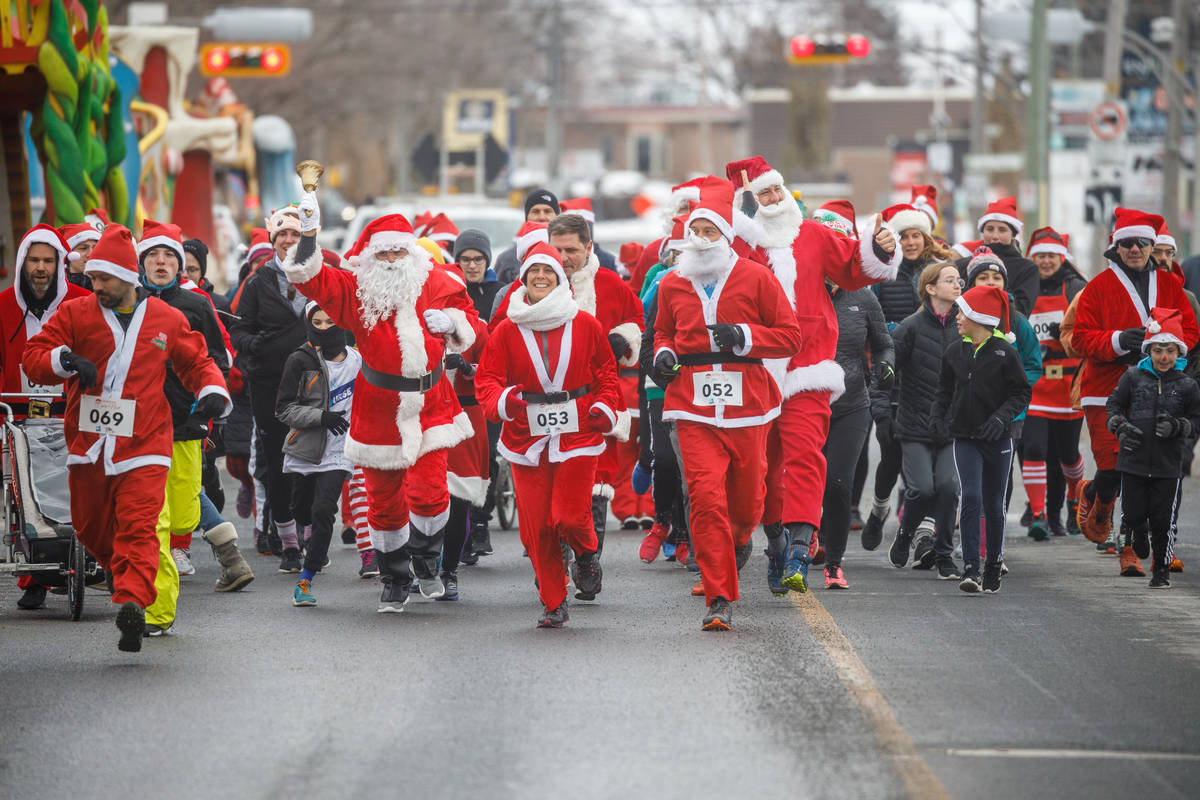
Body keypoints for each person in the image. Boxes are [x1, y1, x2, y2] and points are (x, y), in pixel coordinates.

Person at [22, 223, 230, 651]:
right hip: (88, 443)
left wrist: (211, 392)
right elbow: (34, 357)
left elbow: (198, 361)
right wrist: (65, 360)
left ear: (127, 278)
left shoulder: (166, 319)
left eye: (104, 279)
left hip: (146, 443)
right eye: (93, 277)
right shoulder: (76, 314)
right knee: (90, 526)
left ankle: (134, 605)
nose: (95, 285)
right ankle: (124, 575)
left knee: (140, 526)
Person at [281, 196, 480, 613]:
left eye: (399, 250)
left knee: (429, 493)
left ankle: (426, 559)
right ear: (371, 255)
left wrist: (455, 324)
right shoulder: (357, 289)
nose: (392, 258)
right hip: (378, 407)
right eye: (384, 251)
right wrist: (309, 235)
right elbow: (309, 278)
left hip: (431, 403)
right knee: (383, 500)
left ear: (411, 251)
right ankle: (393, 575)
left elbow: (470, 316)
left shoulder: (436, 279)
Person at [725, 155, 898, 595]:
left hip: (808, 368)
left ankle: (802, 543)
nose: (773, 198)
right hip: (755, 373)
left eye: (776, 190)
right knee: (761, 472)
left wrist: (881, 247)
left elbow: (857, 271)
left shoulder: (814, 235)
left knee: (806, 458)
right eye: (762, 193)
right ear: (749, 202)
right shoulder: (739, 246)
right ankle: (777, 540)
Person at [653, 175, 803, 630]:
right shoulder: (671, 284)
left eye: (710, 231)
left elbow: (791, 336)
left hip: (749, 403)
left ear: (727, 235)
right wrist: (662, 354)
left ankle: (740, 539)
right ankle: (719, 597)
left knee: (745, 503)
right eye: (695, 232)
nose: (700, 240)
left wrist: (746, 336)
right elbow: (661, 332)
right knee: (703, 497)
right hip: (691, 404)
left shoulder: (757, 277)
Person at [492, 212, 642, 595]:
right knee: (542, 516)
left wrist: (623, 340)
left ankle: (588, 560)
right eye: (555, 250)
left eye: (570, 250)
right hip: (536, 414)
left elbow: (637, 321)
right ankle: (552, 578)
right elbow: (495, 347)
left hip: (589, 410)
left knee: (591, 493)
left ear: (588, 248)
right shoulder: (521, 292)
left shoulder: (608, 283)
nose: (561, 258)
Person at [475, 242, 621, 627]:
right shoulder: (507, 328)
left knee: (570, 516)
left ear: (560, 278)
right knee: (538, 527)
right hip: (526, 435)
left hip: (578, 430)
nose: (541, 277)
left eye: (549, 271)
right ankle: (554, 601)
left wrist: (604, 407)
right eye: (534, 271)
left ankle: (587, 554)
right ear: (523, 278)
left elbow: (606, 373)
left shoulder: (585, 323)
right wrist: (504, 401)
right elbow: (487, 379)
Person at [136, 220, 250, 632]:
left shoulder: (196, 304)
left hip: (185, 426)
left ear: (179, 264)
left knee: (182, 517)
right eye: (153, 255)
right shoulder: (126, 303)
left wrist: (207, 404)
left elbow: (220, 361)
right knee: (154, 522)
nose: (161, 262)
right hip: (137, 430)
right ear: (141, 262)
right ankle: (155, 611)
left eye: (169, 255)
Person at [1070, 208, 1198, 550]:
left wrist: (1168, 344)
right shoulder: (1097, 287)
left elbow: (1191, 330)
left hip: (1159, 390)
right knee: (1112, 466)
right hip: (1104, 389)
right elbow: (1080, 338)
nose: (1135, 249)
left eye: (1142, 243)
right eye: (1127, 243)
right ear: (1116, 247)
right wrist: (1116, 340)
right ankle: (1096, 493)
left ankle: (1132, 544)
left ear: (1151, 245)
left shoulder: (1171, 286)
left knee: (1140, 470)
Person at [1, 225, 95, 609]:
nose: (41, 268)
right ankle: (32, 578)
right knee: (19, 491)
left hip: (71, 409)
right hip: (17, 412)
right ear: (23, 264)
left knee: (78, 484)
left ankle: (85, 553)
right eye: (34, 261)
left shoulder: (83, 301)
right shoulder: (4, 305)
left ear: (60, 263)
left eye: (48, 261)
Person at [859, 197, 955, 548]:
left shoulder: (944, 273)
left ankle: (924, 530)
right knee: (891, 452)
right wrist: (899, 331)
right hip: (896, 373)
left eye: (916, 235)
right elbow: (872, 321)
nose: (911, 242)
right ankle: (879, 509)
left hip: (932, 378)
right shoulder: (884, 274)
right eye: (904, 237)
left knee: (933, 457)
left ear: (926, 238)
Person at [814, 203, 894, 589]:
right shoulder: (795, 291)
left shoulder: (862, 296)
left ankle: (833, 560)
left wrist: (884, 365)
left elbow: (883, 344)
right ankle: (799, 540)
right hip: (804, 401)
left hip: (851, 404)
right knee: (805, 481)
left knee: (840, 484)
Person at [932, 285, 1032, 593]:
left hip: (999, 439)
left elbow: (1021, 393)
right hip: (965, 437)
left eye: (962, 312)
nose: (957, 317)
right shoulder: (954, 351)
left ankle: (993, 564)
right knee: (971, 497)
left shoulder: (1006, 353)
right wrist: (938, 418)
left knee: (994, 502)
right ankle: (971, 567)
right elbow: (944, 391)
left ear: (979, 317)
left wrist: (1001, 418)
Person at [229, 205, 309, 559]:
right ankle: (284, 535)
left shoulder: (316, 274)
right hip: (269, 385)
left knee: (310, 460)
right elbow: (239, 329)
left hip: (313, 384)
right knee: (277, 461)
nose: (288, 240)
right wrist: (256, 345)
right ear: (273, 240)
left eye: (295, 234)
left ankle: (307, 529)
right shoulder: (258, 281)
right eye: (282, 235)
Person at [1106, 308, 1200, 588]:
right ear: (1149, 350)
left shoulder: (1187, 385)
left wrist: (1178, 426)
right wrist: (1119, 426)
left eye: (1170, 351)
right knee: (1133, 513)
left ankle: (1161, 571)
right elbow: (1113, 406)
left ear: (1178, 353)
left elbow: (1196, 419)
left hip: (1169, 464)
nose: (1164, 357)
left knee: (1163, 520)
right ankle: (1137, 530)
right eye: (1159, 350)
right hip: (1132, 459)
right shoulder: (1133, 377)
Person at [277, 303, 361, 606]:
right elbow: (283, 409)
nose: (324, 327)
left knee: (323, 510)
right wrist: (321, 417)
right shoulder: (299, 360)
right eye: (317, 322)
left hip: (341, 452)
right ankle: (305, 535)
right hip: (307, 448)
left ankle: (306, 580)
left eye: (331, 321)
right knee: (301, 509)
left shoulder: (357, 361)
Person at [884, 262, 963, 579]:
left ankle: (944, 554)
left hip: (952, 426)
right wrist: (881, 411)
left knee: (948, 487)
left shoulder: (965, 325)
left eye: (959, 280)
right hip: (914, 423)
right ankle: (905, 536)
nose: (957, 284)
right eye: (949, 280)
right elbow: (887, 373)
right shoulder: (910, 327)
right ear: (930, 288)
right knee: (921, 489)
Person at [1022, 227, 1087, 537]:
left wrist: (1059, 345)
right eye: (1040, 256)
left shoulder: (1075, 287)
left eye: (1051, 256)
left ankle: (1075, 500)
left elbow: (1084, 333)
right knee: (1033, 447)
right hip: (1034, 384)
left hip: (1067, 386)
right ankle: (1038, 515)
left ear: (1062, 258)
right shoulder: (1025, 288)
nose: (1045, 261)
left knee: (1068, 454)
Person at [954, 197, 1039, 316]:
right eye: (990, 229)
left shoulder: (1027, 269)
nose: (995, 236)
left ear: (1013, 234)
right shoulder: (961, 265)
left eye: (1002, 230)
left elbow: (1022, 312)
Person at [493, 189, 559, 284]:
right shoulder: (508, 259)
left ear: (557, 217)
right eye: (535, 212)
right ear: (526, 218)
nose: (542, 217)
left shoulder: (566, 253)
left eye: (547, 211)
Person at [59, 222, 101, 290]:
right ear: (68, 255)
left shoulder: (107, 286)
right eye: (83, 248)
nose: (90, 254)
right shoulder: (58, 287)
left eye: (95, 248)